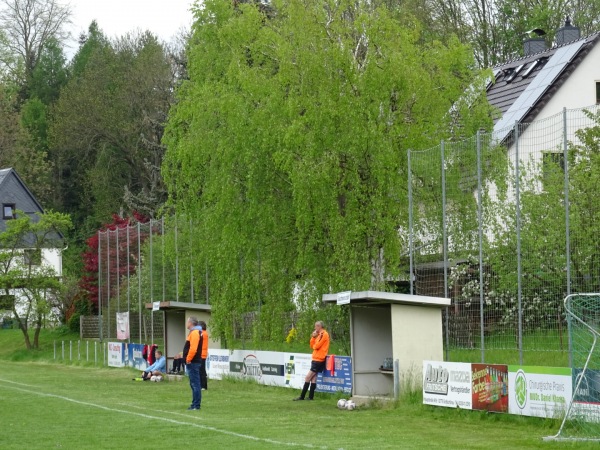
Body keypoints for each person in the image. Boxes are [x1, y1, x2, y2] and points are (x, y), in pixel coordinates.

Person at [293, 321, 330, 401]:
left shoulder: (324, 334)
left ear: (319, 326)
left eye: (316, 327)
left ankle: (302, 396)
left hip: (319, 359)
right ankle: (310, 397)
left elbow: (316, 346)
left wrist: (314, 344)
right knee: (313, 378)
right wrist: (313, 337)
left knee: (307, 377)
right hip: (316, 358)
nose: (314, 328)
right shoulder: (319, 335)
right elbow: (311, 345)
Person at [183, 316, 203, 410]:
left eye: (187, 322)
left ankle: (196, 405)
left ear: (191, 323)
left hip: (193, 361)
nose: (186, 324)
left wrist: (188, 359)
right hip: (193, 361)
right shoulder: (194, 332)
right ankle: (194, 404)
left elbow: (193, 348)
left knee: (195, 384)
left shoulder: (195, 333)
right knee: (193, 384)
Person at [199, 320, 209, 390]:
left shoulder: (203, 333)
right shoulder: (204, 333)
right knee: (202, 370)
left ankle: (203, 386)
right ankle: (202, 385)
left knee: (201, 370)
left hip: (201, 354)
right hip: (202, 354)